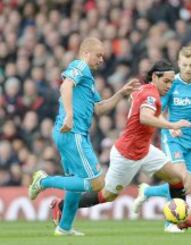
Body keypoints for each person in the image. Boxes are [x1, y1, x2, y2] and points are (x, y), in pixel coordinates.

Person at [49, 60, 191, 232]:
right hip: (128, 154)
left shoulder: (147, 90)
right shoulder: (151, 94)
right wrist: (173, 125)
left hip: (145, 149)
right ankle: (62, 205)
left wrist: (169, 125)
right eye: (166, 81)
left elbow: (153, 114)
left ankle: (179, 222)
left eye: (172, 82)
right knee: (107, 196)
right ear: (155, 77)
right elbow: (145, 117)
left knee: (177, 178)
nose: (169, 86)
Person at [28, 37, 140, 236]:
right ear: (86, 53)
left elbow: (100, 108)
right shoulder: (79, 65)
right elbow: (65, 86)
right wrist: (70, 115)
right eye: (98, 55)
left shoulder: (88, 80)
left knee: (75, 180)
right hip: (73, 133)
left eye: (103, 56)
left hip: (70, 134)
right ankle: (43, 181)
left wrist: (121, 93)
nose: (101, 59)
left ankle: (64, 227)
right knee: (97, 183)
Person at [132, 46, 191, 233]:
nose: (188, 69)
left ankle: (147, 191)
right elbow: (158, 112)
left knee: (186, 187)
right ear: (179, 64)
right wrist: (170, 126)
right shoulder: (171, 84)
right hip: (173, 137)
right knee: (179, 178)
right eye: (184, 65)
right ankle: (170, 223)